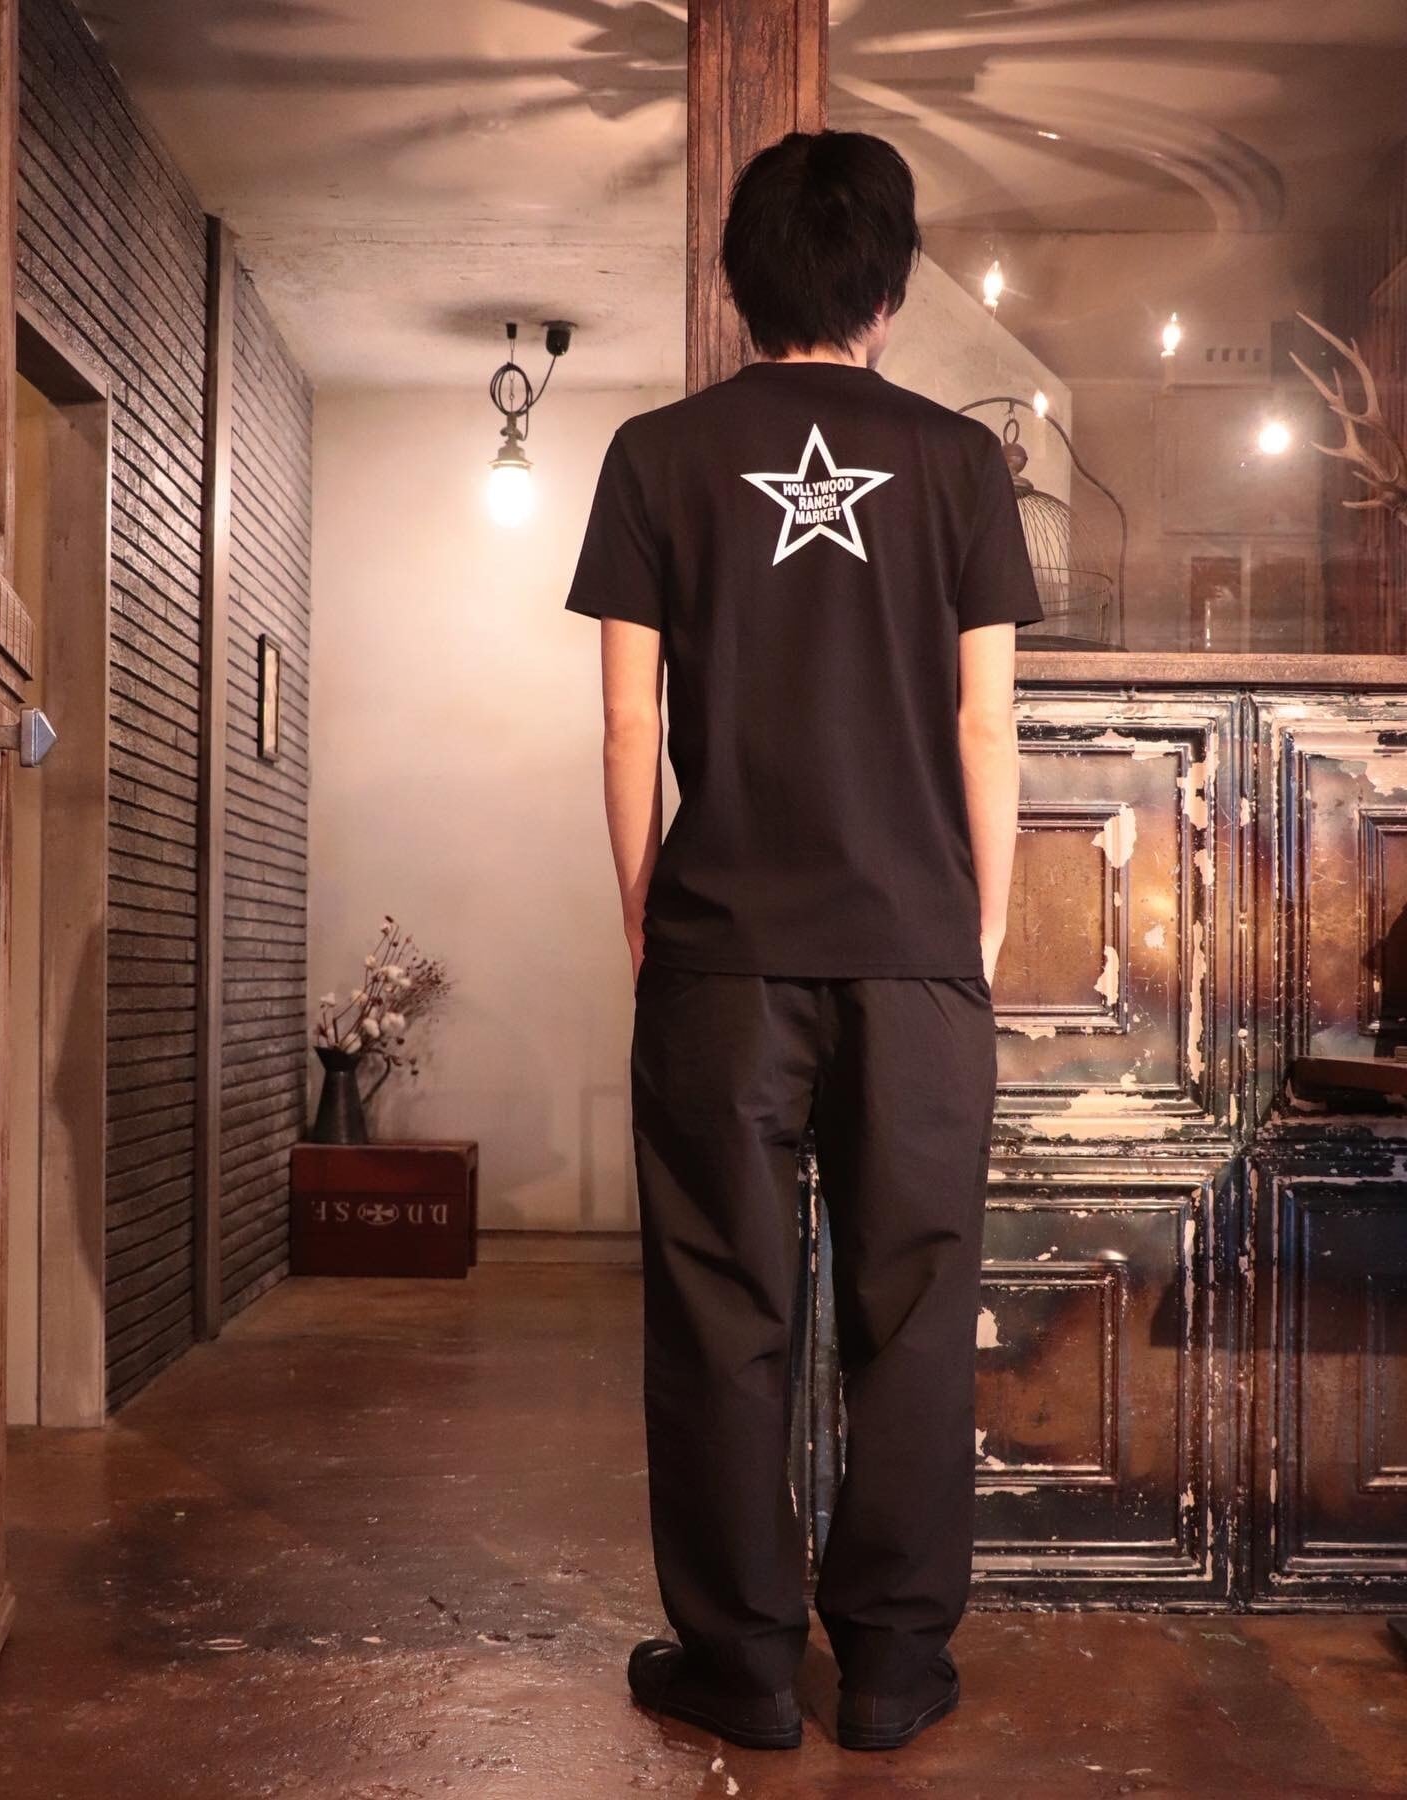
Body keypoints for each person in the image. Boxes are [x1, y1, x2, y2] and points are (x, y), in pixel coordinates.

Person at [564, 127, 1043, 1754]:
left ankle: (743, 1666)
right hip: (918, 958)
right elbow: (987, 727)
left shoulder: (655, 453)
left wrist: (645, 905)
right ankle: (893, 1668)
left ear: (739, 280)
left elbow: (628, 725)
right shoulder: (963, 463)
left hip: (721, 948)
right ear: (889, 288)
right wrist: (978, 926)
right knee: (915, 1309)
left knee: (721, 1306)